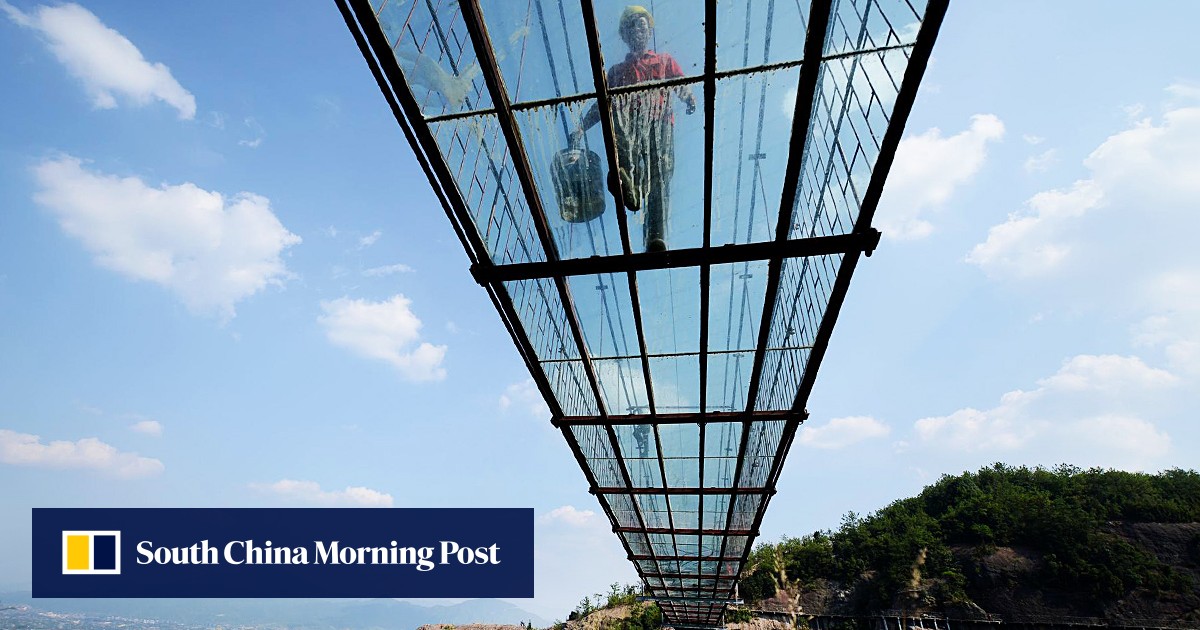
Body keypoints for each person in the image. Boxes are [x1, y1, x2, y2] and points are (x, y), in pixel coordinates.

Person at [573, 5, 696, 253]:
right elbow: (602, 104)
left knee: (659, 176)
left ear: (649, 30)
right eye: (632, 26)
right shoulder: (617, 72)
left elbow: (679, 82)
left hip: (658, 122)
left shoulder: (663, 61)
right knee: (623, 142)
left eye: (642, 25)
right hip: (629, 126)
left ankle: (655, 236)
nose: (638, 30)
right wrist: (582, 127)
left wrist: (688, 97)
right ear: (624, 35)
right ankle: (624, 181)